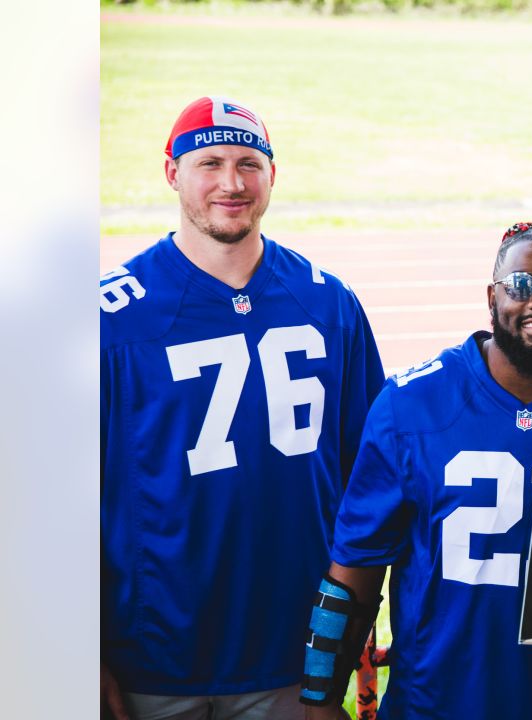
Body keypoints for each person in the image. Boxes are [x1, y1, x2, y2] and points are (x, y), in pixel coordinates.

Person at [100, 96, 385, 720]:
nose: (231, 183)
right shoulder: (109, 320)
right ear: (171, 172)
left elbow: (371, 484)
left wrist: (346, 636)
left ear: (272, 176)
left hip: (291, 646)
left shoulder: (330, 304)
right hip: (153, 650)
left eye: (249, 164)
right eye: (210, 163)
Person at [299, 223, 532, 720]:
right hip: (432, 704)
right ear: (492, 298)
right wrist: (320, 699)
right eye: (520, 285)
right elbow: (353, 575)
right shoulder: (411, 405)